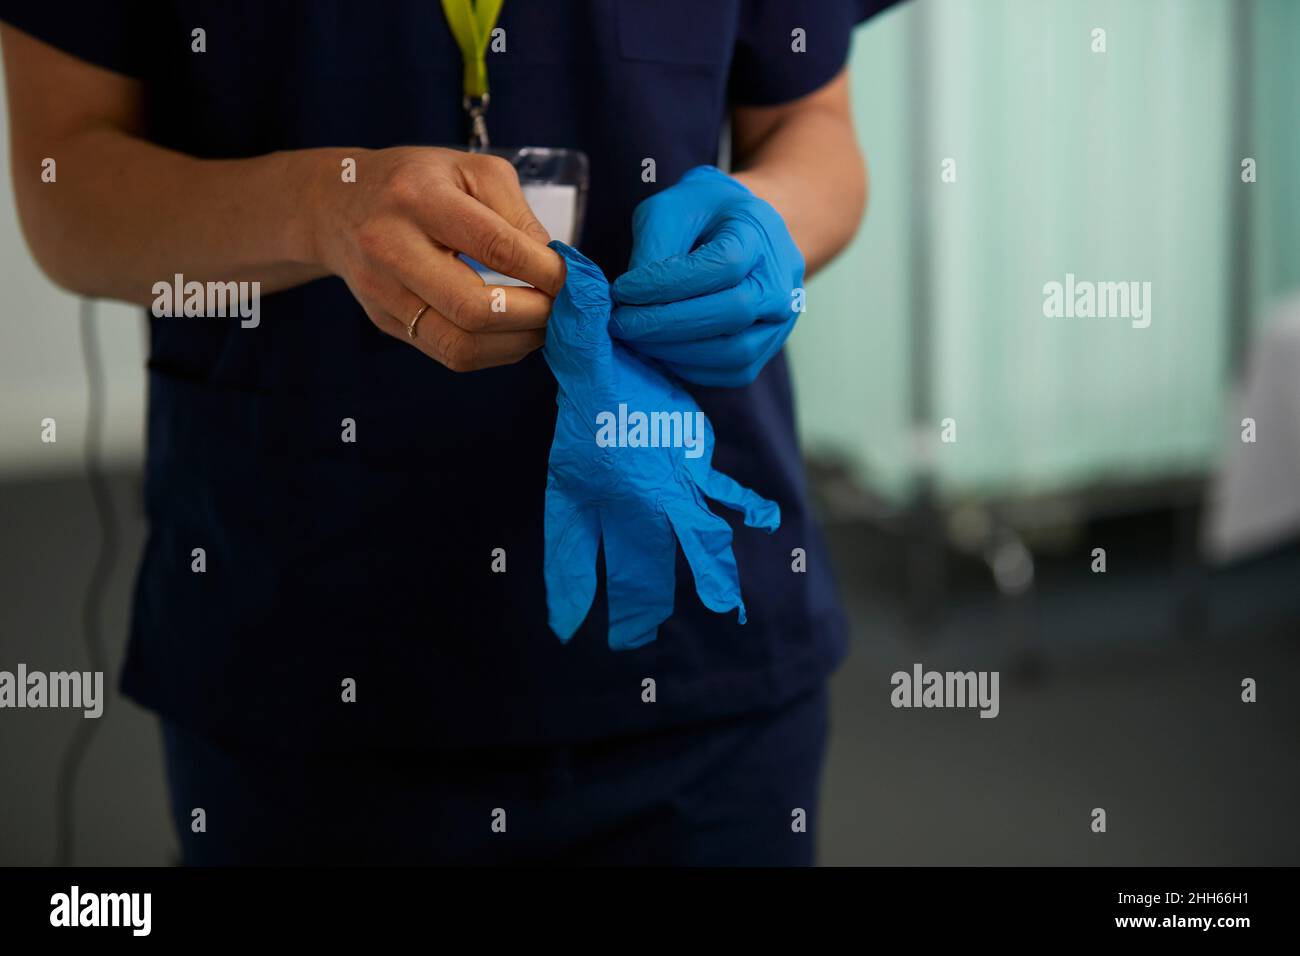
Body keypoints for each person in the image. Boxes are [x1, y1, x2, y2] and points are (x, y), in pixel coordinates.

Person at [0, 0, 896, 865]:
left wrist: (772, 224)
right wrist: (320, 206)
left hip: (691, 651)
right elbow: (64, 189)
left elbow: (812, 125)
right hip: (302, 655)